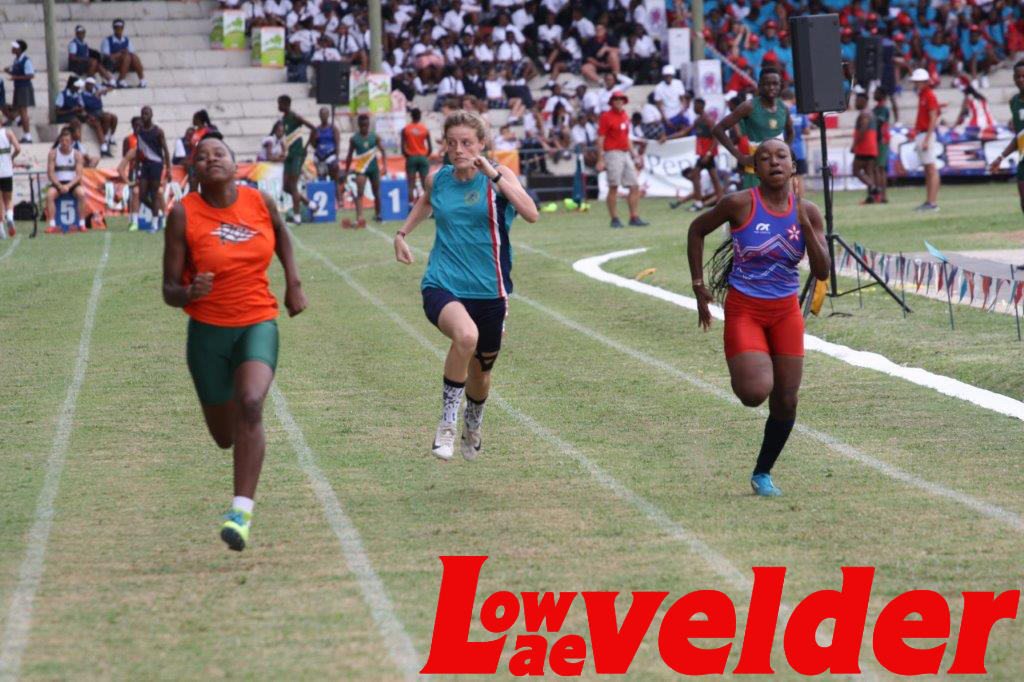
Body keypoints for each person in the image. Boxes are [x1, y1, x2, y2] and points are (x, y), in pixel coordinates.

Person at [162, 133, 308, 552]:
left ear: (234, 162)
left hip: (257, 322)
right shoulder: (183, 214)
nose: (211, 159)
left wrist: (293, 283)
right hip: (207, 334)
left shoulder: (260, 202)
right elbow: (169, 290)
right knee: (225, 436)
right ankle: (239, 475)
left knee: (251, 403)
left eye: (219, 153)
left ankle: (240, 513)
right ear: (193, 170)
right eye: (202, 156)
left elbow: (281, 234)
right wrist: (189, 292)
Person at [392, 110, 538, 461]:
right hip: (443, 283)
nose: (458, 150)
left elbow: (531, 213)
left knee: (480, 375)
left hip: (490, 292)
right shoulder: (438, 179)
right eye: (452, 143)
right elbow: (426, 201)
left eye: (467, 143)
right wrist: (401, 233)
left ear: (482, 144)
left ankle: (473, 421)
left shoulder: (498, 177)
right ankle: (446, 423)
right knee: (465, 336)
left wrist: (495, 176)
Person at [686, 138, 829, 496]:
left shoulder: (809, 211)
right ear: (755, 168)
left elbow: (823, 271)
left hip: (785, 312)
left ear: (793, 166)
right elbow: (696, 229)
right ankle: (749, 364)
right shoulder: (739, 204)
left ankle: (762, 473)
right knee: (754, 393)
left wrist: (805, 225)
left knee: (786, 400)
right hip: (746, 309)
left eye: (781, 156)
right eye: (764, 158)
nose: (774, 162)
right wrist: (698, 284)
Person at [713, 67, 793, 189]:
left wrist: (785, 153)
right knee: (755, 201)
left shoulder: (783, 107)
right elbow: (718, 130)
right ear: (759, 86)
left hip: (779, 170)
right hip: (756, 170)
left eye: (775, 84)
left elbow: (791, 133)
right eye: (767, 84)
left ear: (780, 85)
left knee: (782, 201)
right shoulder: (749, 106)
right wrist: (740, 157)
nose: (771, 87)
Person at [596, 91, 648, 228]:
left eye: (621, 99)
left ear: (624, 101)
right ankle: (614, 218)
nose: (618, 101)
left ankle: (634, 217)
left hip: (625, 153)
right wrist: (600, 159)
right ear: (612, 101)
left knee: (634, 185)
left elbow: (627, 137)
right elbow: (600, 139)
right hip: (612, 153)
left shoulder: (625, 115)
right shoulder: (606, 117)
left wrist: (634, 154)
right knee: (614, 186)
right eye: (616, 99)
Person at [989, 60, 1024, 215]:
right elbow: (1019, 137)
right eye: (1018, 76)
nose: (1021, 80)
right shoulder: (1014, 102)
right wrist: (1001, 157)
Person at [343, 113, 387, 226]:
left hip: (374, 168)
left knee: (376, 192)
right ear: (358, 125)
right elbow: (349, 156)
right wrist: (346, 170)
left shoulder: (374, 137)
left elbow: (383, 151)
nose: (364, 128)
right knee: (360, 192)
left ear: (368, 125)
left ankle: (378, 215)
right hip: (361, 169)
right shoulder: (354, 139)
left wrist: (385, 166)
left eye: (366, 125)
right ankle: (360, 218)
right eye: (362, 126)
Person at [277, 95, 315, 224]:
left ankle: (297, 217)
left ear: (286, 104)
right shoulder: (283, 119)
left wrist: (306, 146)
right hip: (289, 155)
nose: (278, 106)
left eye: (280, 104)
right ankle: (309, 203)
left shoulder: (295, 116)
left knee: (293, 185)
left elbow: (313, 128)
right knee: (286, 187)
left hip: (298, 155)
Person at [133, 106, 171, 231]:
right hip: (145, 165)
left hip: (156, 164)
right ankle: (158, 213)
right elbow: (139, 150)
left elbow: (165, 150)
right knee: (142, 196)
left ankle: (154, 224)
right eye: (143, 113)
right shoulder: (139, 131)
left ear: (151, 115)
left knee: (154, 194)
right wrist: (137, 167)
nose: (145, 116)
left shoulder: (158, 131)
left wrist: (169, 169)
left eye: (147, 113)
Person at [45, 128, 89, 234]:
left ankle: (82, 224)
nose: (65, 143)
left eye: (67, 141)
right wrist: (59, 185)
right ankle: (52, 225)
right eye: (62, 140)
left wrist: (68, 186)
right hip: (58, 183)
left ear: (71, 142)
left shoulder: (77, 154)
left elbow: (79, 175)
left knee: (82, 194)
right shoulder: (53, 153)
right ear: (59, 141)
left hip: (72, 183)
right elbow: (50, 173)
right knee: (49, 195)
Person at [683, 98, 723, 211]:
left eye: (695, 105)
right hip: (703, 154)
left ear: (701, 106)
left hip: (707, 154)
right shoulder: (698, 120)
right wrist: (668, 138)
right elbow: (686, 131)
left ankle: (699, 203)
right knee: (713, 178)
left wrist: (709, 154)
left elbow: (716, 138)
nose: (694, 108)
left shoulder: (708, 120)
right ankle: (720, 202)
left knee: (696, 174)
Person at [910, 68, 940, 212]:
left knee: (931, 169)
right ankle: (929, 201)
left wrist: (927, 139)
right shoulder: (923, 94)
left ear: (925, 81)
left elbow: (933, 118)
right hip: (922, 134)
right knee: (928, 170)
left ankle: (932, 203)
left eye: (919, 81)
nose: (916, 84)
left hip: (925, 135)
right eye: (916, 81)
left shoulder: (929, 95)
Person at [305, 107, 341, 205]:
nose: (323, 116)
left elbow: (337, 143)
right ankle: (327, 202)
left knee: (335, 179)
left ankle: (339, 200)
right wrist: (314, 138)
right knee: (322, 179)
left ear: (328, 115)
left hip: (331, 156)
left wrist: (337, 157)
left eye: (325, 114)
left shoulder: (333, 129)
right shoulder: (316, 129)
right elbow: (313, 145)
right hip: (320, 157)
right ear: (319, 116)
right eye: (322, 114)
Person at [851, 87, 878, 204]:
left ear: (862, 101)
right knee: (868, 172)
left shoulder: (865, 114)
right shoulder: (870, 113)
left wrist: (855, 145)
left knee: (855, 170)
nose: (855, 103)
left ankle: (873, 187)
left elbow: (863, 129)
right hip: (872, 146)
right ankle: (871, 197)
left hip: (864, 147)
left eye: (856, 101)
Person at [101, 19, 146, 88]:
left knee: (133, 57)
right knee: (126, 56)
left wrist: (125, 54)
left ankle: (142, 80)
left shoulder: (126, 40)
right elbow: (106, 56)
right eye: (116, 28)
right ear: (113, 28)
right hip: (112, 64)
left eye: (120, 28)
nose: (118, 30)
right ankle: (121, 80)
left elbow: (132, 53)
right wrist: (120, 54)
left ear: (123, 28)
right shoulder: (107, 40)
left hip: (126, 62)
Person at [5, 41, 34, 143]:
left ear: (20, 49)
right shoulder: (17, 60)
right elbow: (17, 73)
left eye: (15, 47)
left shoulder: (26, 60)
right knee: (19, 110)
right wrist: (9, 72)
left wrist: (15, 77)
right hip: (18, 87)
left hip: (24, 88)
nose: (12, 49)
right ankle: (18, 122)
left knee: (23, 112)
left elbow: (30, 75)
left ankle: (28, 136)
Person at [401, 107, 432, 203]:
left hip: (411, 158)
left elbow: (403, 147)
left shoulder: (406, 129)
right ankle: (428, 206)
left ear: (411, 116)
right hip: (423, 157)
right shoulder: (425, 129)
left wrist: (409, 157)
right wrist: (424, 156)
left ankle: (411, 206)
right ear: (420, 116)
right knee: (425, 185)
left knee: (411, 185)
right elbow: (430, 147)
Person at [80, 78, 117, 157]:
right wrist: (88, 116)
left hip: (99, 112)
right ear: (86, 84)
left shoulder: (96, 90)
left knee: (114, 117)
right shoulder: (82, 94)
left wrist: (101, 91)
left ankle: (110, 137)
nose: (91, 86)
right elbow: (82, 109)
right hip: (90, 113)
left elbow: (112, 88)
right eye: (89, 84)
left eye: (92, 84)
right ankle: (104, 145)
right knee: (104, 119)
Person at [872, 87, 892, 204]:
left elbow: (880, 121)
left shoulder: (883, 109)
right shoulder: (876, 109)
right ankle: (880, 195)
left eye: (876, 93)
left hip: (882, 140)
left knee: (879, 168)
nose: (874, 94)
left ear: (882, 95)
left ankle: (882, 196)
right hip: (877, 140)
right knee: (878, 168)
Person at [0, 122, 20, 238]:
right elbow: (18, 148)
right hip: (6, 171)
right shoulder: (8, 133)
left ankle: (1, 229)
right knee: (8, 200)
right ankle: (10, 217)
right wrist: (11, 157)